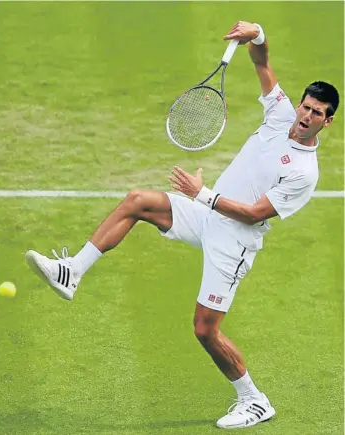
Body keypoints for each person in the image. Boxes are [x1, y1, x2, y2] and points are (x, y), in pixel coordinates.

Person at [25, 21, 339, 430]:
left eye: (317, 113)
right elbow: (262, 63)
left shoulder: (303, 173)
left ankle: (254, 400)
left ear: (327, 122)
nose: (307, 115)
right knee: (138, 201)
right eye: (306, 106)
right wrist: (257, 33)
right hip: (205, 214)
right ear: (298, 104)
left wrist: (202, 193)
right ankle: (72, 271)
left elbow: (256, 213)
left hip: (234, 241)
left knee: (205, 330)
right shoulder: (280, 114)